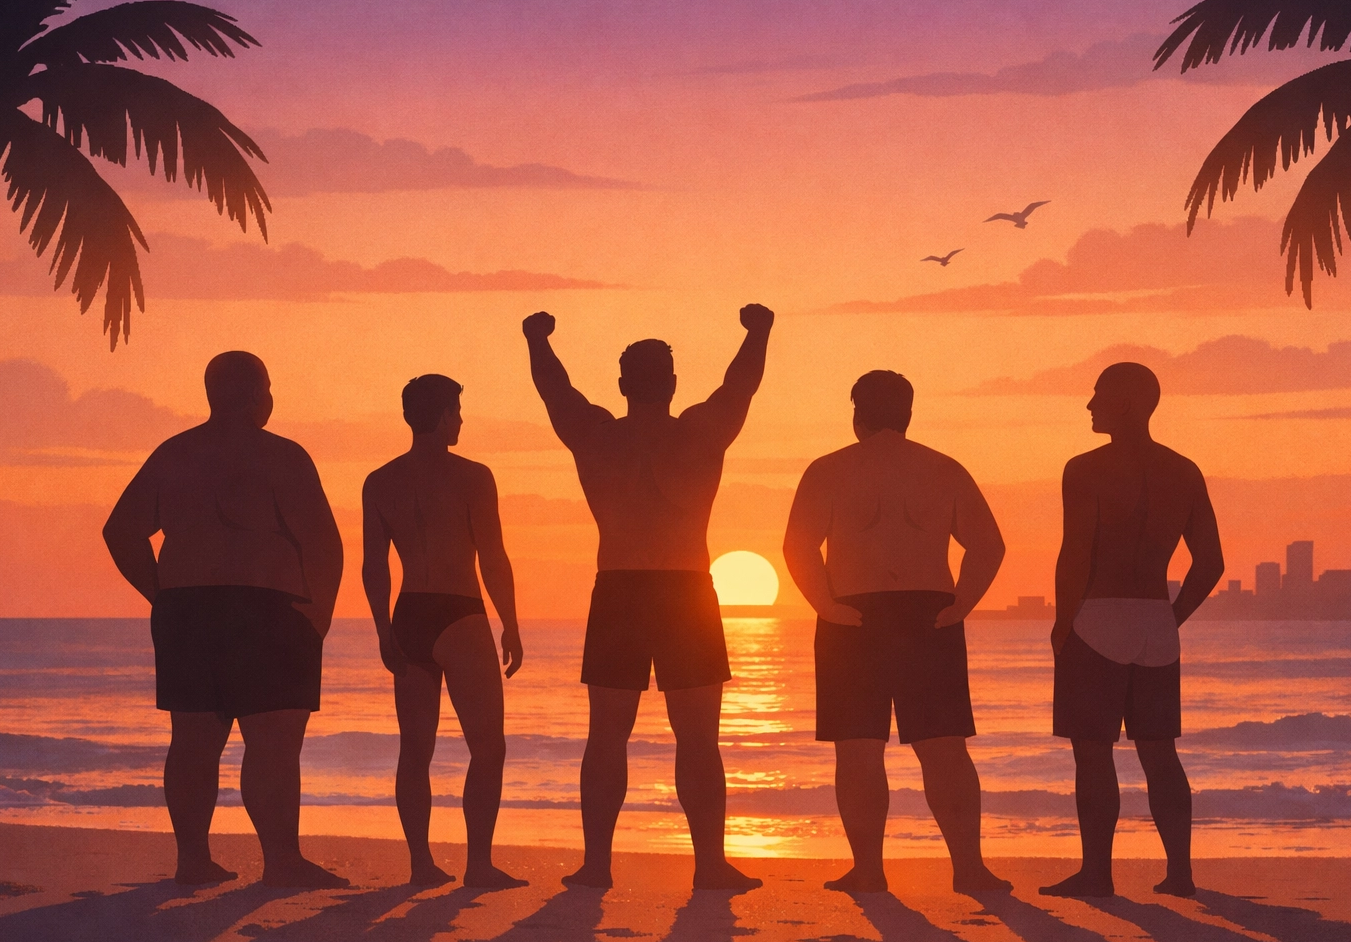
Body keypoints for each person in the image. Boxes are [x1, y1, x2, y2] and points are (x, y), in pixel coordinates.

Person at [522, 305, 773, 890]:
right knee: (697, 737)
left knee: (608, 733)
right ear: (674, 384)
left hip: (620, 590)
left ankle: (598, 866)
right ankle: (707, 865)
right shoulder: (700, 433)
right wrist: (758, 332)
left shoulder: (598, 435)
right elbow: (742, 385)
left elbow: (553, 391)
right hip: (685, 589)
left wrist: (537, 340)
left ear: (621, 385)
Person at [103, 352, 346, 887]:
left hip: (189, 609)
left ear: (211, 395)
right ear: (264, 397)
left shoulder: (175, 453)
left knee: (193, 739)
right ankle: (281, 860)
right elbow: (323, 542)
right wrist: (319, 613)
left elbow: (121, 531)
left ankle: (193, 860)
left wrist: (162, 594)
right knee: (274, 742)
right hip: (268, 608)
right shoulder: (281, 455)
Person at [783, 370, 1009, 894]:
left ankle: (870, 870)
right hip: (926, 613)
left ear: (856, 412)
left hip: (852, 613)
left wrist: (825, 604)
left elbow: (798, 548)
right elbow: (989, 546)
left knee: (861, 749)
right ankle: (968, 869)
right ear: (908, 413)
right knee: (943, 747)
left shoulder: (828, 469)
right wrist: (961, 604)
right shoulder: (942, 468)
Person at [1039, 362, 1224, 899]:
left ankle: (1097, 873)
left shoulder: (1086, 469)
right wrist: (1172, 615)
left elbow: (1076, 552)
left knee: (1093, 750)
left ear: (1123, 403)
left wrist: (1062, 621)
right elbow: (1209, 562)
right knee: (1159, 752)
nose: (1089, 405)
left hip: (1096, 617)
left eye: (1097, 396)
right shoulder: (1184, 470)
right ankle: (1181, 874)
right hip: (1154, 623)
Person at [362, 374, 526, 888]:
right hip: (459, 613)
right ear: (437, 415)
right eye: (456, 409)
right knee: (488, 747)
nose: (460, 419)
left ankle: (421, 866)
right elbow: (494, 558)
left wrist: (383, 629)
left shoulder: (380, 480)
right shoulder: (473, 476)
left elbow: (374, 567)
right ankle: (478, 865)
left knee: (416, 749)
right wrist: (512, 624)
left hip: (409, 614)